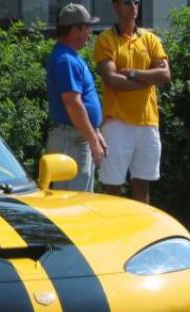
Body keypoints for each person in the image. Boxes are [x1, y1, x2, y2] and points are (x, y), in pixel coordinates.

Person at [93, 0, 170, 203]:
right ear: (116, 6)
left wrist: (135, 73)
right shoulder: (106, 39)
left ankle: (140, 233)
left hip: (148, 122)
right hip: (116, 122)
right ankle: (114, 231)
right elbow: (111, 79)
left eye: (136, 2)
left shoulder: (151, 38)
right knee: (113, 186)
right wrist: (147, 81)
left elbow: (165, 74)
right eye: (127, 2)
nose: (133, 7)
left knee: (143, 186)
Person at [45, 3, 106, 192]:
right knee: (76, 203)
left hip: (75, 136)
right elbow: (73, 103)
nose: (90, 32)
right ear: (75, 29)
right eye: (87, 27)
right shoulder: (66, 60)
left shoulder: (68, 57)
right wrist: (93, 140)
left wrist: (95, 132)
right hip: (72, 140)